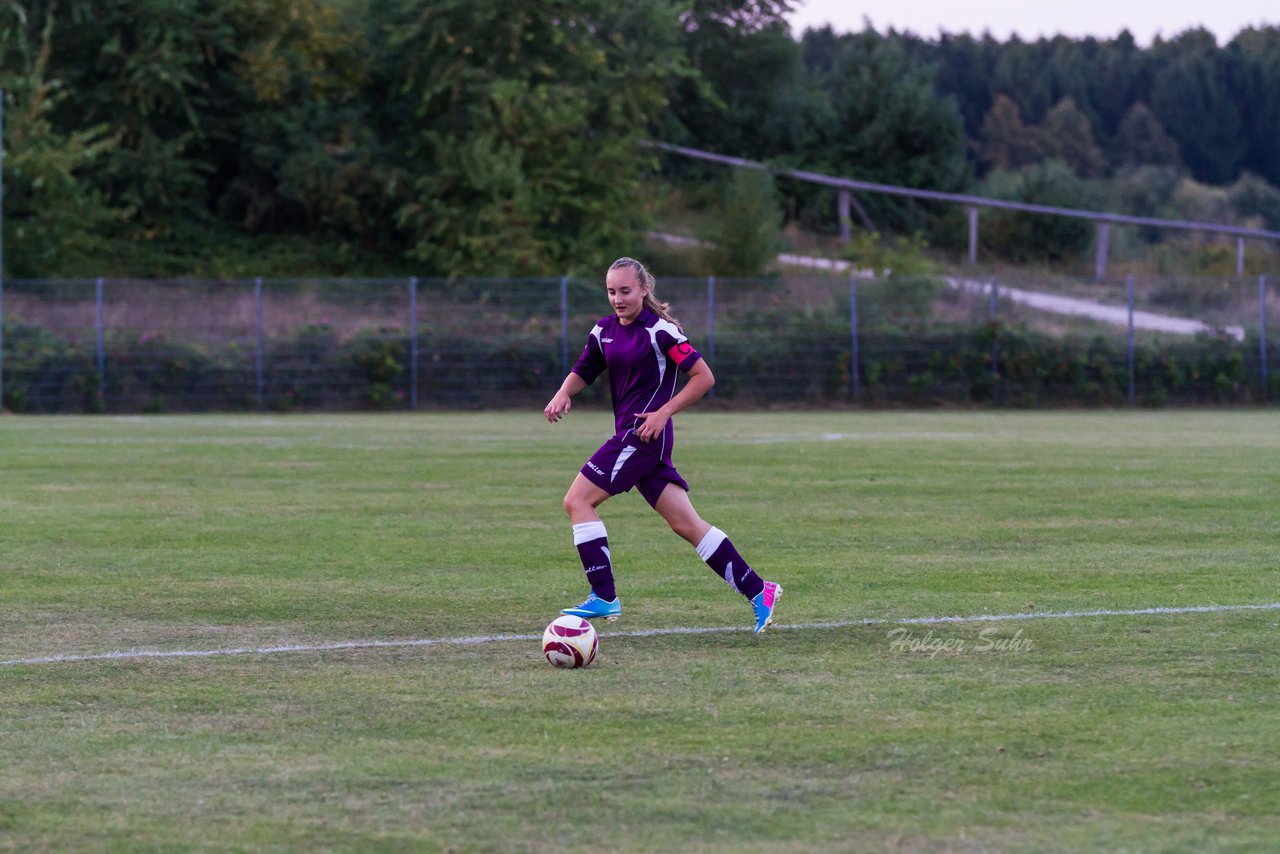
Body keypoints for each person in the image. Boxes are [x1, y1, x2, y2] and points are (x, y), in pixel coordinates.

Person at [543, 256, 782, 633]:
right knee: (686, 524)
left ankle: (603, 596)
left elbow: (704, 377)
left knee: (577, 501)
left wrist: (662, 412)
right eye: (611, 291)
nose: (618, 299)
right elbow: (584, 369)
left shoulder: (660, 331)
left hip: (641, 437)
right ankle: (760, 590)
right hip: (635, 436)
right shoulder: (603, 330)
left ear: (643, 289)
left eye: (625, 291)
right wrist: (562, 393)